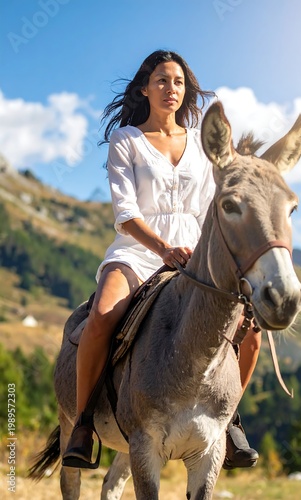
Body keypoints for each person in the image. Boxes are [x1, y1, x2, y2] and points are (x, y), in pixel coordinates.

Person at [62, 50, 261, 470]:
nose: (171, 89)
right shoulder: (126, 140)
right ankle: (82, 424)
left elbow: (212, 209)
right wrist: (162, 250)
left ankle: (228, 421)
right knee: (101, 315)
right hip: (138, 250)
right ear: (144, 89)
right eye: (162, 80)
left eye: (178, 82)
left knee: (253, 331)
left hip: (196, 253)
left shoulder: (202, 147)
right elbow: (125, 215)